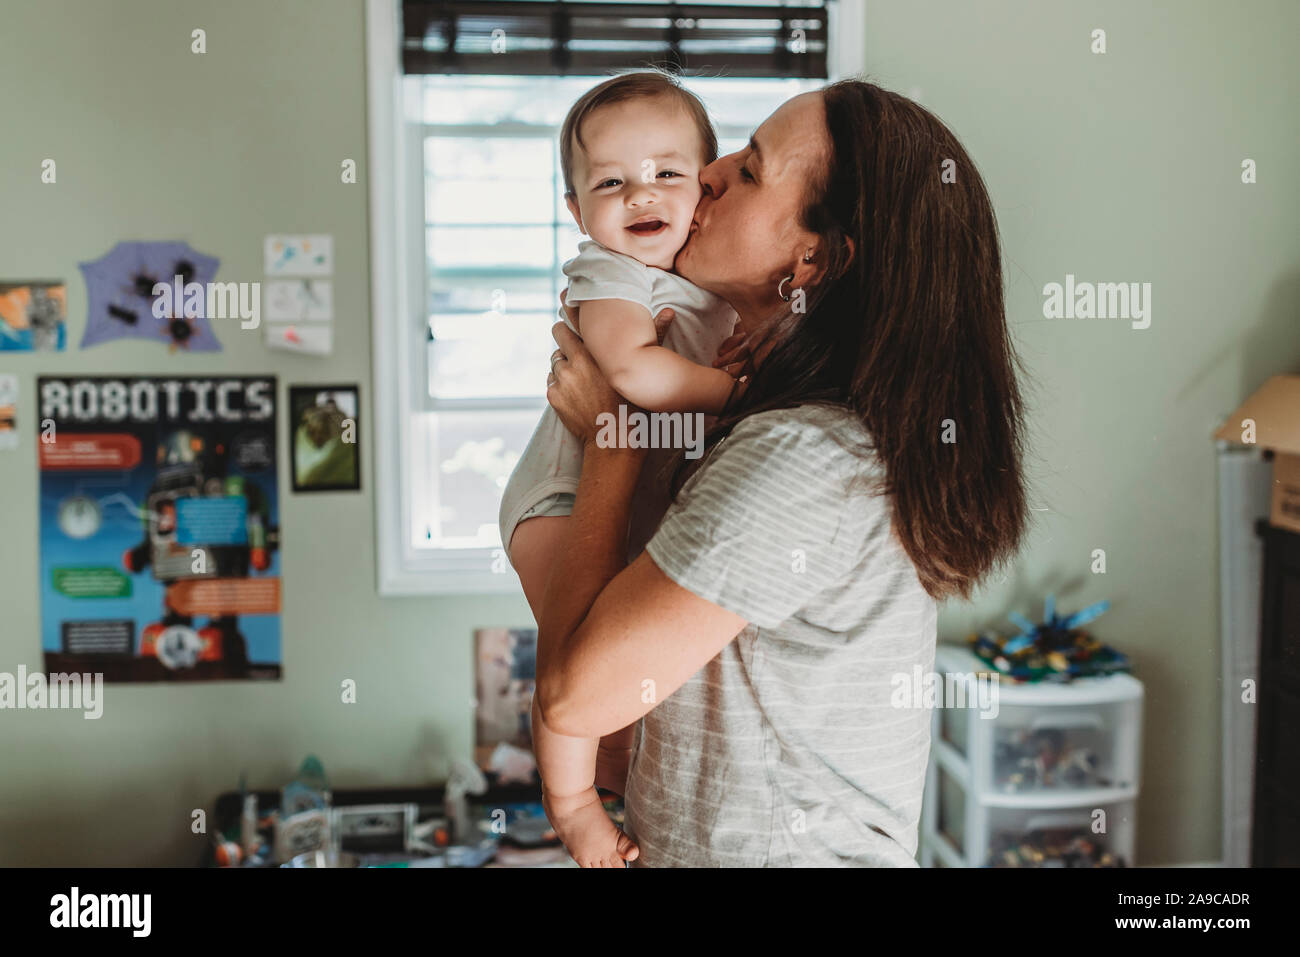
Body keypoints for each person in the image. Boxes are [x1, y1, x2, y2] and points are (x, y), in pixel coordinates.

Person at [528, 78, 1030, 866]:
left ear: (812, 261)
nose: (713, 172)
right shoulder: (788, 426)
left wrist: (610, 438)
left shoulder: (805, 459)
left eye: (754, 170)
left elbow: (574, 695)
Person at [499, 70, 747, 866]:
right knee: (572, 658)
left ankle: (603, 779)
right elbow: (634, 376)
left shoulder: (704, 280)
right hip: (559, 494)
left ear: (705, 188)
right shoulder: (609, 274)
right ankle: (569, 806)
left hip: (624, 482)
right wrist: (746, 392)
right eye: (611, 181)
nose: (641, 194)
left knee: (617, 677)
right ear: (577, 211)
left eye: (667, 173)